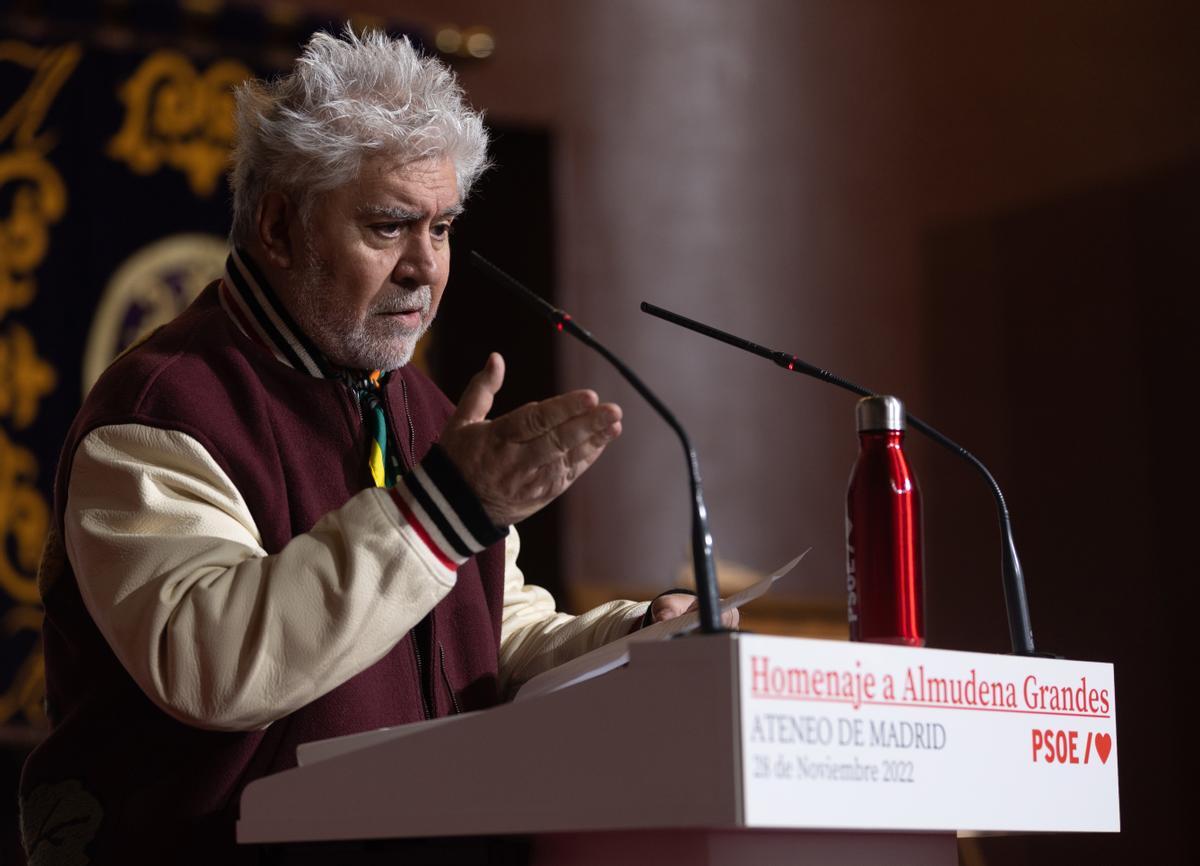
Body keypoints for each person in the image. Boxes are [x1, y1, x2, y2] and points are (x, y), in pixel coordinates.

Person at [19, 27, 721, 866]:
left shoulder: (421, 407)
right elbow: (212, 664)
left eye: (443, 228)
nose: (425, 267)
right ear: (280, 228)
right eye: (390, 228)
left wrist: (640, 637)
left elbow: (490, 640)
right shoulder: (162, 410)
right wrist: (445, 510)